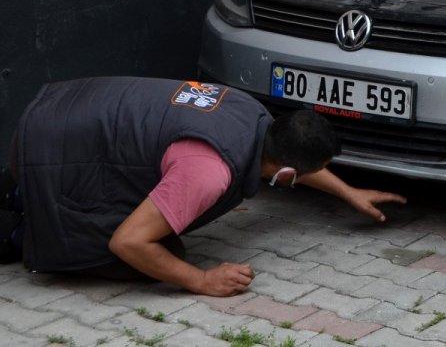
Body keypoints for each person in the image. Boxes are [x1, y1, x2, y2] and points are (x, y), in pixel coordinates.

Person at [0, 77, 404, 295]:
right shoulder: (209, 172)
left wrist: (348, 192)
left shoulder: (251, 113)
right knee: (159, 256)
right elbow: (128, 243)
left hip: (60, 112)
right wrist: (201, 280)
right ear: (284, 173)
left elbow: (289, 158)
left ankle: (19, 193)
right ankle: (21, 227)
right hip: (50, 151)